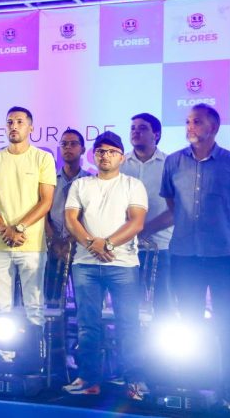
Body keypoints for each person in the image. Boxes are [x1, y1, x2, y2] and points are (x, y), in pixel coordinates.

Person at [160, 104, 230, 398]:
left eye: (196, 121)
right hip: (184, 255)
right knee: (189, 320)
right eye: (187, 121)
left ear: (214, 127)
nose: (190, 127)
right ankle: (192, 380)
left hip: (225, 254)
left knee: (226, 321)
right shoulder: (173, 162)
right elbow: (172, 206)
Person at [63, 131, 149, 400]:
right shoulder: (81, 185)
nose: (105, 156)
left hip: (123, 265)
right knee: (88, 325)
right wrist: (92, 244)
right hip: (85, 264)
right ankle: (89, 379)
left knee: (128, 324)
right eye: (100, 151)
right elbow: (71, 220)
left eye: (112, 151)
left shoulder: (133, 184)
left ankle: (134, 380)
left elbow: (136, 222)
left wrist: (108, 244)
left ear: (122, 157)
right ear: (93, 155)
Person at [0, 107, 56, 327]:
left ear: (31, 128)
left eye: (20, 122)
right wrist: (4, 229)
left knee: (34, 306)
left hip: (31, 244)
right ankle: (4, 350)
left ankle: (36, 349)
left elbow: (46, 201)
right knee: (1, 308)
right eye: (10, 122)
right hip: (0, 243)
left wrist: (19, 228)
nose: (14, 126)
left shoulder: (43, 158)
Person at [120, 113, 174, 317]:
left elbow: (177, 209)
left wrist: (144, 229)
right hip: (125, 247)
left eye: (142, 128)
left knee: (163, 305)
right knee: (127, 305)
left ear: (156, 134)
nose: (135, 132)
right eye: (133, 128)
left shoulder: (170, 164)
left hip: (161, 246)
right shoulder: (120, 164)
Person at [45, 129, 90, 255]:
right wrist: (53, 240)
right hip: (51, 245)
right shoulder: (49, 179)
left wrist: (72, 240)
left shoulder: (90, 181)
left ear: (83, 150)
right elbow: (43, 212)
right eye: (64, 144)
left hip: (81, 245)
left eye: (73, 144)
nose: (68, 147)